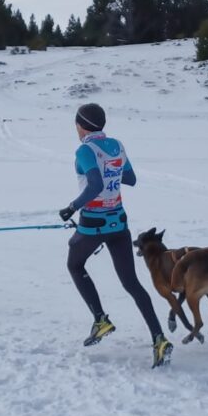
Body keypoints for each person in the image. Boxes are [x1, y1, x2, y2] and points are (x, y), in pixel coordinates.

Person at [58, 103, 174, 369]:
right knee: (131, 283)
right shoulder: (117, 145)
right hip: (119, 223)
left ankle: (100, 320)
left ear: (81, 125)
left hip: (93, 222)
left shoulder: (85, 150)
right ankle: (159, 339)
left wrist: (72, 207)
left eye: (76, 124)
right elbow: (130, 178)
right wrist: (111, 173)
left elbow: (96, 184)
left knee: (74, 264)